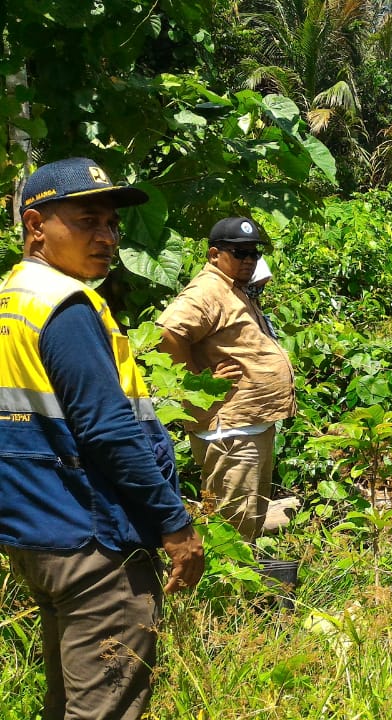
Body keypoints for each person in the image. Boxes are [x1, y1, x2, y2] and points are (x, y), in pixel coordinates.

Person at [0, 157, 205, 719]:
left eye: (112, 224)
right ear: (35, 225)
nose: (107, 237)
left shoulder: (12, 298)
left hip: (36, 532)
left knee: (69, 701)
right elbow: (108, 430)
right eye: (87, 221)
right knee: (104, 709)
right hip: (94, 540)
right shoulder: (65, 306)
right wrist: (174, 523)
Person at [158, 217, 296, 541]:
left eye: (254, 253)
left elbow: (261, 275)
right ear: (214, 254)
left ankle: (246, 576)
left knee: (250, 518)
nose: (249, 260)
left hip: (253, 423)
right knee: (230, 526)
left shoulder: (235, 287)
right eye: (239, 253)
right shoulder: (208, 289)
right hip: (232, 429)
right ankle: (226, 578)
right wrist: (196, 379)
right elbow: (168, 332)